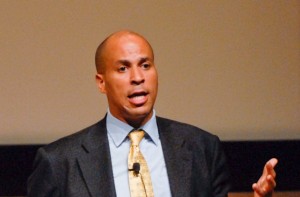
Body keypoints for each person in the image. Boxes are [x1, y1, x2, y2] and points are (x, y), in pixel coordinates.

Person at [27, 30, 277, 197]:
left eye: (145, 65)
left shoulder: (202, 148)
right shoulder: (59, 162)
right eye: (123, 68)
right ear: (101, 82)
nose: (138, 78)